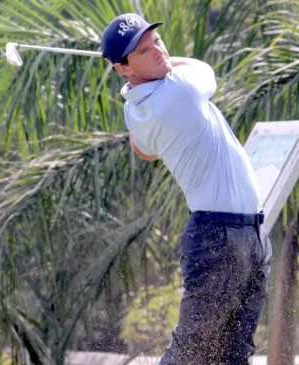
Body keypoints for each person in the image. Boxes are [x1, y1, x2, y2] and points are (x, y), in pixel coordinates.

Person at [101, 13, 272, 365]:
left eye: (156, 42)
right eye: (144, 52)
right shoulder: (180, 89)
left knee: (234, 354)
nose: (160, 52)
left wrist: (145, 67)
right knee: (190, 351)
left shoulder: (136, 112)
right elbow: (203, 67)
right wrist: (168, 61)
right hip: (219, 236)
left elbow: (144, 149)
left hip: (246, 234)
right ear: (123, 68)